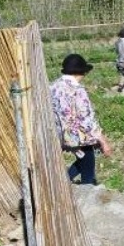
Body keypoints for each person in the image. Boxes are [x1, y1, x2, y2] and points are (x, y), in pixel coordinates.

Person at [49, 53, 111, 185]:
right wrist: (103, 141)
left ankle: (63, 180)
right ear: (81, 73)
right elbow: (86, 119)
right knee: (88, 167)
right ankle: (87, 192)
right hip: (79, 136)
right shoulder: (77, 90)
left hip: (59, 134)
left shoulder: (53, 86)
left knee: (83, 159)